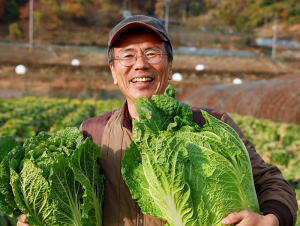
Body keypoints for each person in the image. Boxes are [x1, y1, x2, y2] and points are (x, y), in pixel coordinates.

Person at [18, 15, 297, 226]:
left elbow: (272, 182)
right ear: (114, 72)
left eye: (152, 53)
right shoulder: (92, 132)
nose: (140, 64)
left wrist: (271, 219)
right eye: (127, 56)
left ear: (170, 66)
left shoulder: (211, 125)